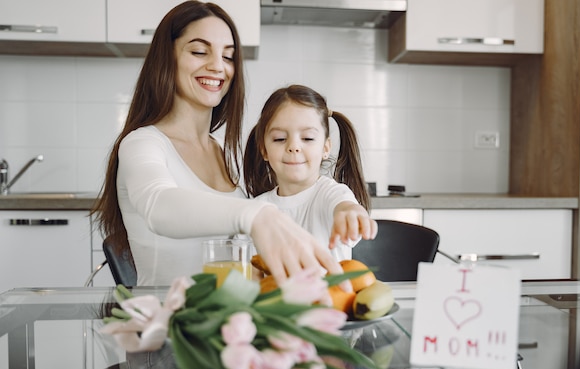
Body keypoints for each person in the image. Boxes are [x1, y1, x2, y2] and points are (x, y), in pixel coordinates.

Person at [90, 2, 342, 287]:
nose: (217, 66)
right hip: (170, 324)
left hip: (231, 324)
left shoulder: (227, 152)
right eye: (199, 51)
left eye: (229, 56)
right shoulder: (142, 144)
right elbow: (159, 206)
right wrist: (255, 216)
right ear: (166, 57)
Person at [243, 84, 377, 261]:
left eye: (307, 138)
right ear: (264, 150)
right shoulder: (254, 210)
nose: (293, 147)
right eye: (280, 139)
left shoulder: (330, 193)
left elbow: (344, 205)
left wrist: (351, 212)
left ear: (325, 147)